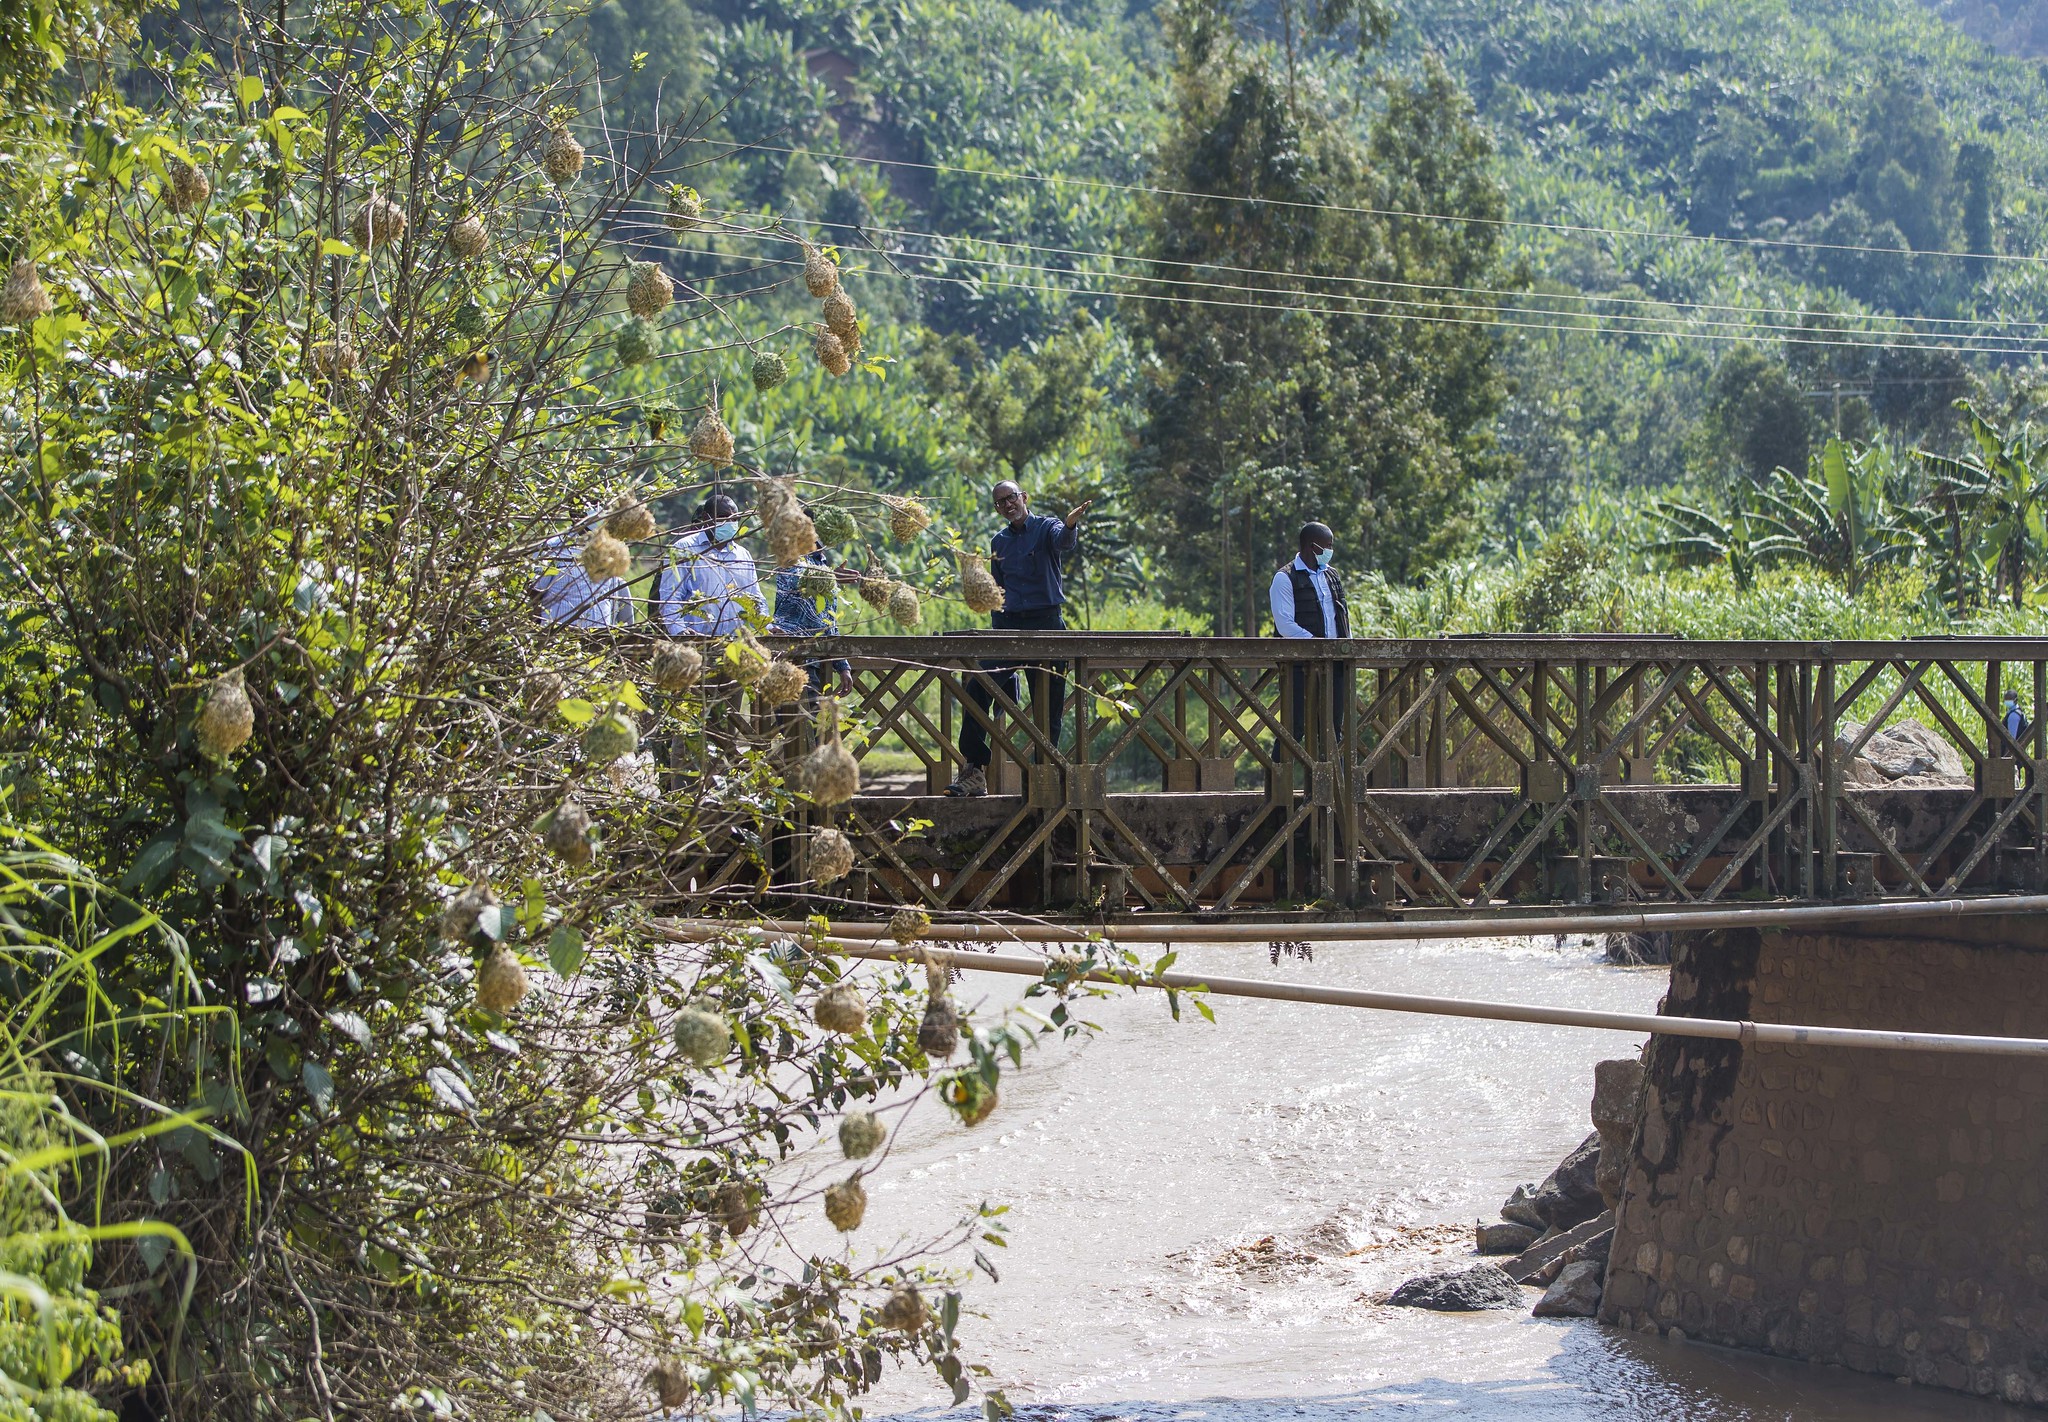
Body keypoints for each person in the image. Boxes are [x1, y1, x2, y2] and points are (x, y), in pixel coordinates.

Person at [947, 479, 1093, 797]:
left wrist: (1070, 524)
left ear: (1023, 497)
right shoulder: (999, 542)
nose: (1007, 505)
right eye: (1000, 502)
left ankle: (1044, 777)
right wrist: (998, 638)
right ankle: (974, 769)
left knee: (1048, 707)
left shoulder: (1046, 527)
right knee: (976, 684)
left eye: (1011, 498)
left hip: (1048, 625)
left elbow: (1063, 541)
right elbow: (998, 593)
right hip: (1010, 628)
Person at [1268, 521, 1348, 746]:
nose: (1330, 551)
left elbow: (1341, 618)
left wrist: (1345, 648)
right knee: (1293, 730)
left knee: (1333, 730)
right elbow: (1284, 625)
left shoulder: (1332, 576)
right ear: (1313, 547)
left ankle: (1333, 782)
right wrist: (1317, 646)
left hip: (1335, 664)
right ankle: (1278, 781)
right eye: (1328, 546)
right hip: (1298, 666)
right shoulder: (1284, 578)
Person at [653, 493, 768, 636]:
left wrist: (766, 627)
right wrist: (680, 631)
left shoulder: (742, 556)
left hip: (734, 644)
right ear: (707, 518)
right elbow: (670, 597)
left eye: (735, 518)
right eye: (723, 517)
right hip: (696, 642)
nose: (730, 523)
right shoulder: (683, 550)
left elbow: (755, 599)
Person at [772, 529, 856, 697]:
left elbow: (829, 623)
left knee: (811, 718)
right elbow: (798, 580)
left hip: (815, 660)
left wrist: (843, 666)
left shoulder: (822, 566)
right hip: (789, 656)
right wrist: (831, 576)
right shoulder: (791, 560)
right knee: (793, 718)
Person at [532, 514, 632, 628]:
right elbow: (534, 593)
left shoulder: (609, 550)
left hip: (600, 636)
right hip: (560, 636)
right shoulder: (553, 547)